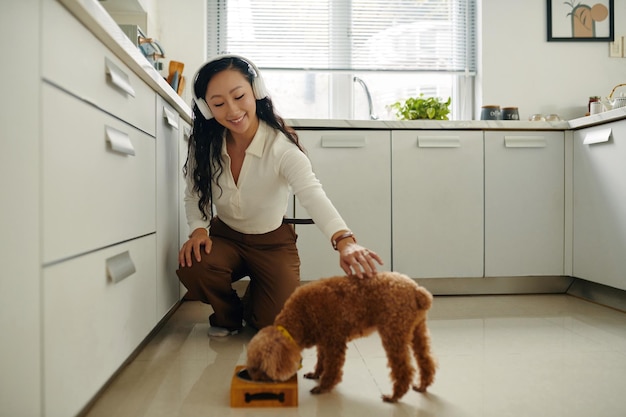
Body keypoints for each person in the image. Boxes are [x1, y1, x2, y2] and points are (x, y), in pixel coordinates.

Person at [177, 54, 383, 337]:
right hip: (225, 237)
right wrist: (199, 230)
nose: (233, 110)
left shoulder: (282, 148)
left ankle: (259, 299)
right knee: (196, 263)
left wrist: (344, 241)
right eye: (219, 103)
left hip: (272, 243)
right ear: (207, 108)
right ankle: (228, 314)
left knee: (275, 325)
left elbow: (312, 194)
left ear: (256, 93)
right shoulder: (205, 145)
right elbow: (194, 193)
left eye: (239, 96)